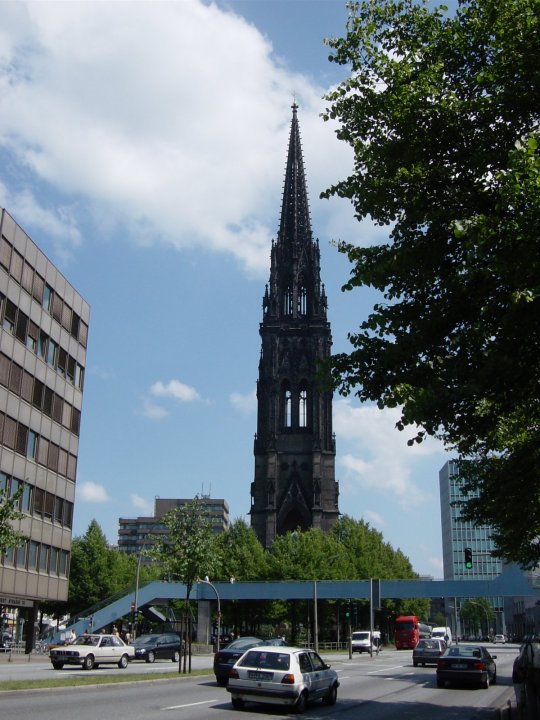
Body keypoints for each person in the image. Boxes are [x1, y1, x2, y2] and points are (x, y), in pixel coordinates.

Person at [513, 647, 526, 720]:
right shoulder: (520, 659)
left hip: (517, 681)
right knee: (520, 699)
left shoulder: (518, 658)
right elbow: (517, 670)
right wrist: (523, 678)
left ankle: (520, 715)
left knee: (521, 699)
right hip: (518, 681)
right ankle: (520, 716)